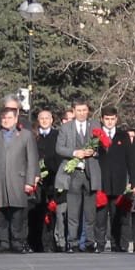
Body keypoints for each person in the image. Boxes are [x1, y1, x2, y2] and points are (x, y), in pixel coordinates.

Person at [0, 106, 41, 254]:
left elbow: (32, 160)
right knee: (0, 213)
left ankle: (18, 241)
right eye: (3, 118)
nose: (6, 121)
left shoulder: (26, 135)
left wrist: (29, 181)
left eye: (9, 118)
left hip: (19, 180)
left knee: (17, 213)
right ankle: (3, 242)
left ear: (15, 119)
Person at [55, 100, 102, 253]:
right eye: (79, 110)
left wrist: (93, 152)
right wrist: (75, 153)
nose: (82, 113)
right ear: (73, 111)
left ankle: (89, 242)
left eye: (84, 110)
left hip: (90, 173)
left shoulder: (95, 125)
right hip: (73, 173)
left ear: (88, 111)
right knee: (73, 211)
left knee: (90, 213)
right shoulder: (66, 127)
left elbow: (102, 146)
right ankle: (72, 242)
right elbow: (59, 148)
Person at [94, 107, 132, 252]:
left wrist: (130, 180)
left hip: (119, 183)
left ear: (116, 119)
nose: (109, 122)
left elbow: (130, 159)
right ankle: (100, 243)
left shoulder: (123, 136)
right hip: (101, 182)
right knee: (100, 216)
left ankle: (117, 243)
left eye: (112, 119)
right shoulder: (96, 136)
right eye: (107, 119)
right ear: (102, 119)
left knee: (117, 215)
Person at [31, 108, 63, 252]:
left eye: (47, 118)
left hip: (53, 179)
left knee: (53, 213)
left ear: (52, 120)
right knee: (37, 212)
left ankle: (51, 243)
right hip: (36, 180)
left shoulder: (58, 135)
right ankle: (36, 243)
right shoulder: (33, 136)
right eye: (41, 118)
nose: (44, 121)